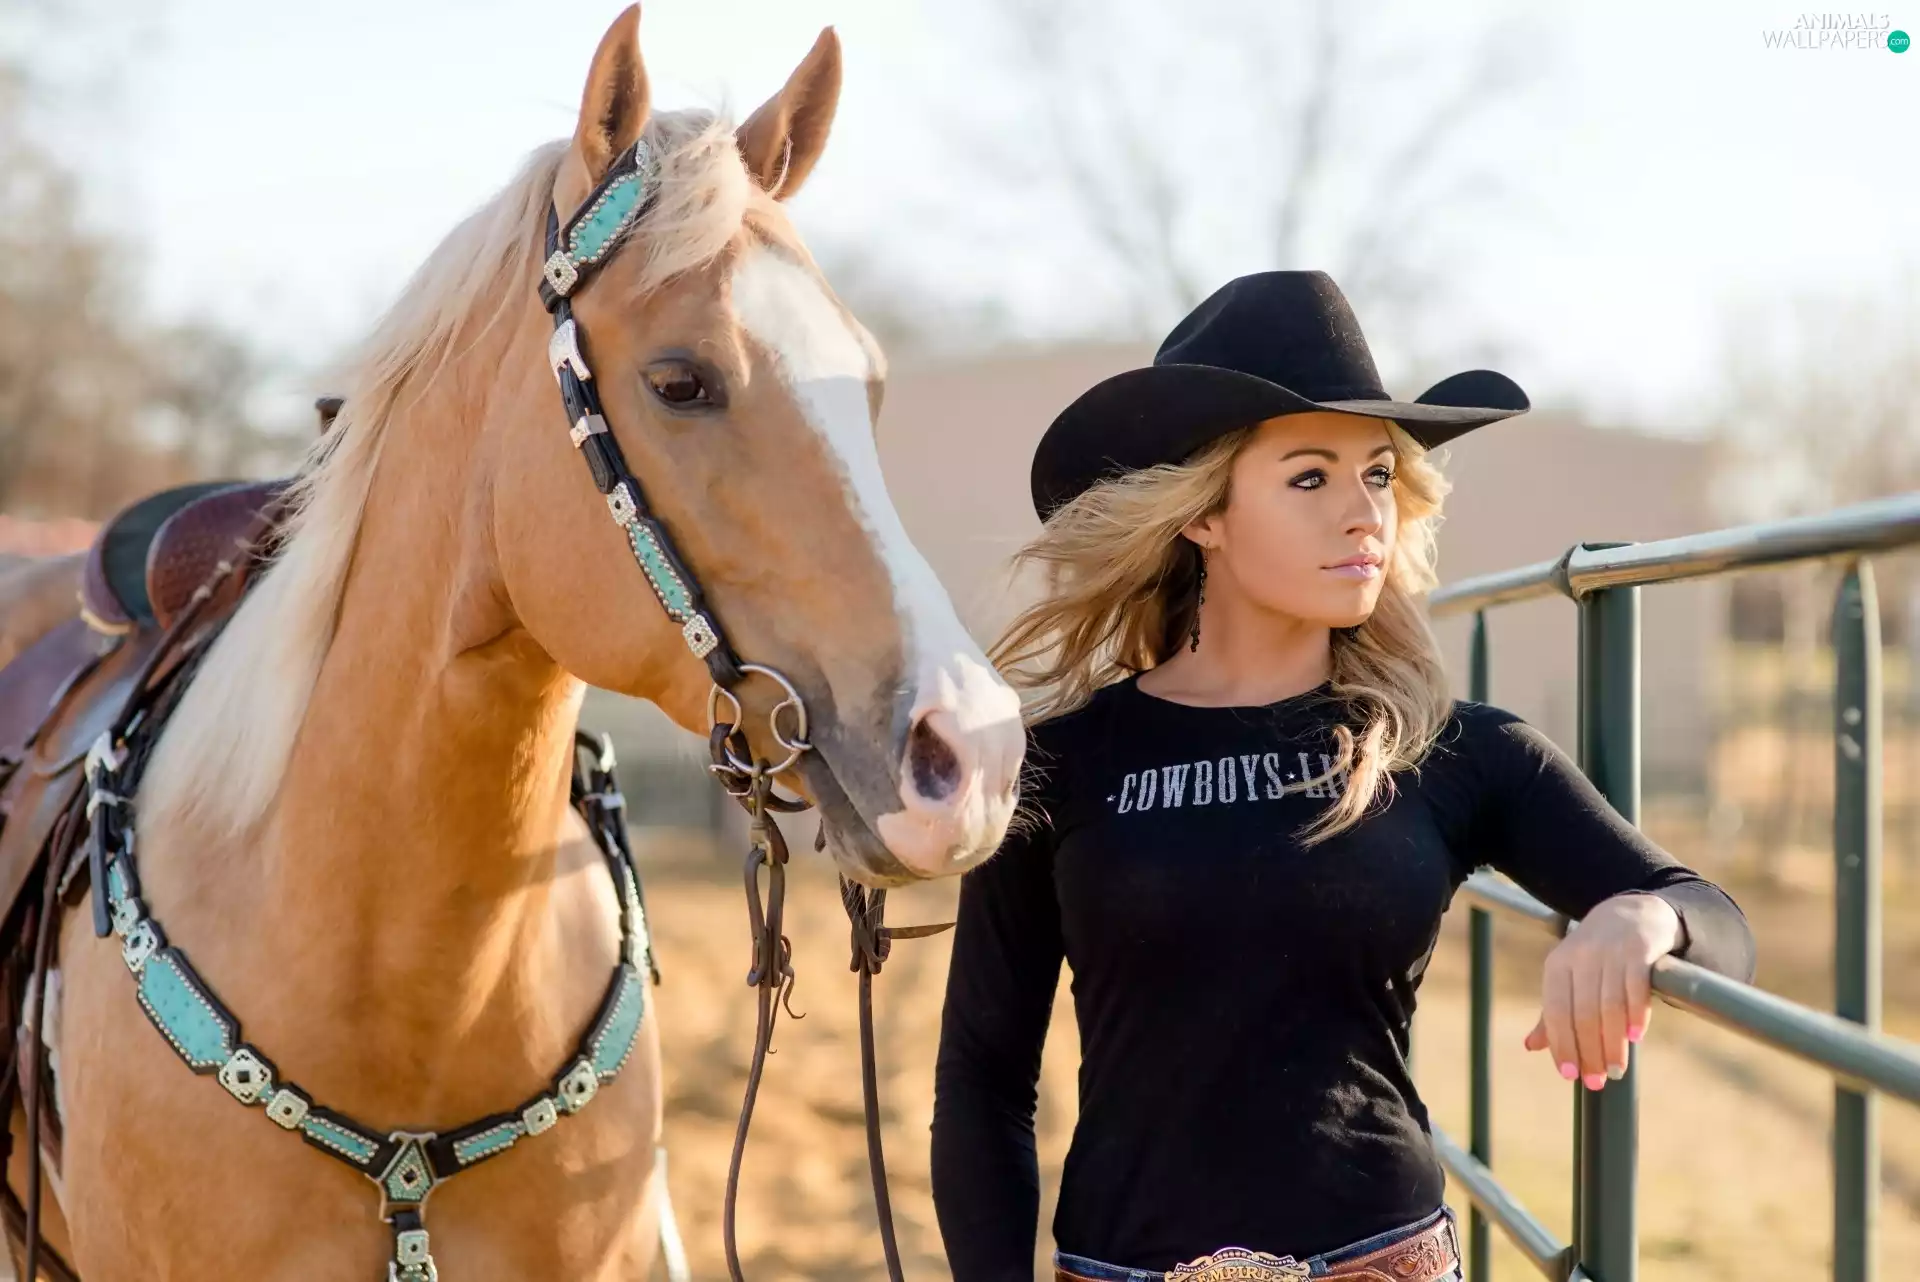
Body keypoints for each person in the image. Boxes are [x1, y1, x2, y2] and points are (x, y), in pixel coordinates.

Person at [928, 271, 1757, 1282]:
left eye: (1377, 475)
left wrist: (1637, 920)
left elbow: (1711, 917)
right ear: (1204, 515)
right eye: (1310, 478)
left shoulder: (1445, 748)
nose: (1364, 514)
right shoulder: (1062, 761)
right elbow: (982, 1078)